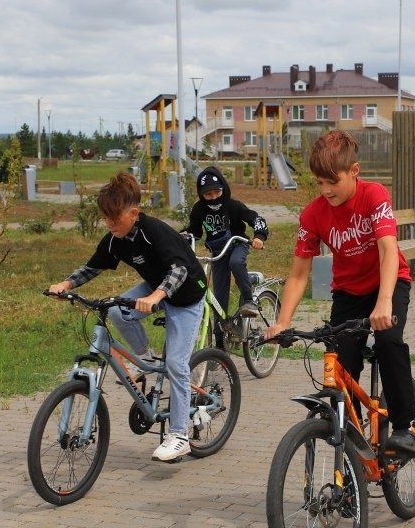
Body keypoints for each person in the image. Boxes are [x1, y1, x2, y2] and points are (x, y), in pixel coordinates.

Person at [265, 130, 415, 455]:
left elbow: (389, 251)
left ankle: (406, 426)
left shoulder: (374, 195)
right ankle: (351, 438)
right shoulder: (313, 214)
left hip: (388, 284)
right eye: (319, 182)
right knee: (340, 366)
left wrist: (385, 302)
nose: (326, 190)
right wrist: (283, 321)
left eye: (332, 181)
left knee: (389, 341)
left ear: (354, 171)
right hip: (348, 293)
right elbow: (298, 273)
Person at [49, 173, 208, 463]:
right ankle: (145, 359)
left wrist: (156, 297)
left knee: (176, 363)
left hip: (186, 295)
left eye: (114, 218)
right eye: (105, 218)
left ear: (133, 213)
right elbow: (92, 267)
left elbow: (179, 270)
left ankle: (180, 435)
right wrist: (66, 285)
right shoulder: (115, 239)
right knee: (116, 310)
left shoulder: (154, 232)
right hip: (155, 287)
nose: (109, 224)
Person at [184, 166, 269, 321]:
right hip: (218, 251)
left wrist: (259, 236)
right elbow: (195, 232)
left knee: (235, 262)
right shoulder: (198, 209)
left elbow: (255, 218)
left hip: (237, 243)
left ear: (224, 188)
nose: (214, 197)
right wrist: (183, 237)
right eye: (208, 194)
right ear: (201, 195)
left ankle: (249, 301)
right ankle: (219, 336)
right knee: (219, 294)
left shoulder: (232, 205)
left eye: (217, 192)